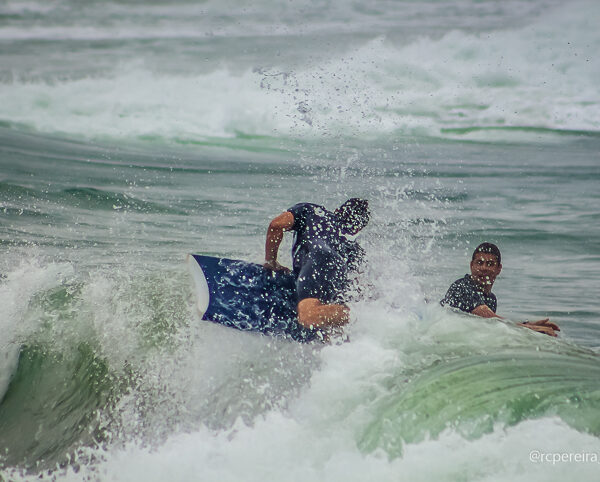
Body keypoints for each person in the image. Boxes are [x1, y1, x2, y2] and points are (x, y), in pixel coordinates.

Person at [263, 198, 370, 332]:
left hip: (318, 260)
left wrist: (271, 262)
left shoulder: (311, 211)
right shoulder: (354, 248)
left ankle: (361, 317)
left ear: (337, 210)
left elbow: (276, 225)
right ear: (357, 228)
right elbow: (358, 283)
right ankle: (334, 327)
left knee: (308, 316)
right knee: (324, 318)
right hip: (336, 268)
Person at [441, 242, 560, 337]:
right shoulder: (462, 287)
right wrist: (531, 329)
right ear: (472, 265)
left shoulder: (491, 299)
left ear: (499, 269)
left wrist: (528, 324)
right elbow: (491, 319)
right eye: (479, 263)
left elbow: (489, 325)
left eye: (490, 264)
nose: (484, 268)